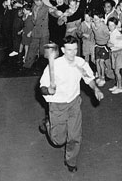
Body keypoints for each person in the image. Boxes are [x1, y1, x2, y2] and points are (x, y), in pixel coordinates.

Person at [39, 35, 104, 172]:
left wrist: (96, 89)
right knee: (58, 140)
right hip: (57, 105)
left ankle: (71, 161)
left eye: (75, 49)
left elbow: (88, 78)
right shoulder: (54, 65)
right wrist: (48, 90)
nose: (73, 53)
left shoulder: (79, 63)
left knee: (75, 136)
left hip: (74, 103)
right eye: (69, 50)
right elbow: (42, 87)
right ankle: (48, 123)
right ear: (62, 50)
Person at [107, 17, 122, 94]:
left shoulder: (117, 33)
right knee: (115, 70)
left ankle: (120, 87)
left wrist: (112, 44)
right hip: (113, 52)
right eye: (109, 25)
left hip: (119, 53)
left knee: (117, 71)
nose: (110, 27)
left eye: (112, 25)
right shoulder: (111, 33)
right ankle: (117, 85)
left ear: (115, 26)